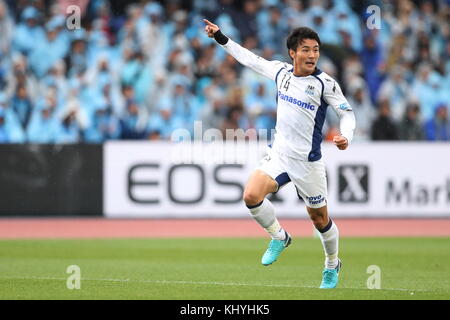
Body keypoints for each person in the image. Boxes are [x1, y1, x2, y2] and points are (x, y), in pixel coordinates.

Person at [204, 19, 356, 289]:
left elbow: (346, 113)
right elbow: (249, 59)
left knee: (319, 219)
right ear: (293, 53)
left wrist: (346, 135)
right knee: (251, 196)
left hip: (308, 163)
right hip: (280, 154)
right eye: (306, 50)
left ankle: (332, 265)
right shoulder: (281, 72)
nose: (312, 55)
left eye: (316, 50)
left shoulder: (325, 83)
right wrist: (220, 37)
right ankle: (279, 237)